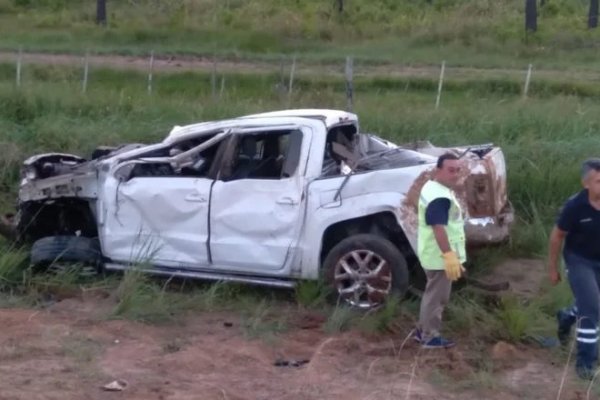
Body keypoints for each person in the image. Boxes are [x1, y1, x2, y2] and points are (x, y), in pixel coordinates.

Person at [548, 158, 600, 380]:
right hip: (579, 261)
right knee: (592, 311)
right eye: (599, 181)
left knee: (590, 305)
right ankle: (585, 364)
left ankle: (567, 316)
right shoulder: (575, 206)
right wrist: (552, 267)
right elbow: (557, 236)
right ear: (586, 183)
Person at [412, 153, 466, 349]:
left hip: (433, 254)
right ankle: (429, 337)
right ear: (438, 170)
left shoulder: (433, 186)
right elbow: (438, 227)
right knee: (437, 298)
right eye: (451, 170)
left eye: (458, 169)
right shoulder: (440, 197)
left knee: (432, 294)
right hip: (439, 256)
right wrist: (449, 256)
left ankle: (422, 331)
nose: (455, 174)